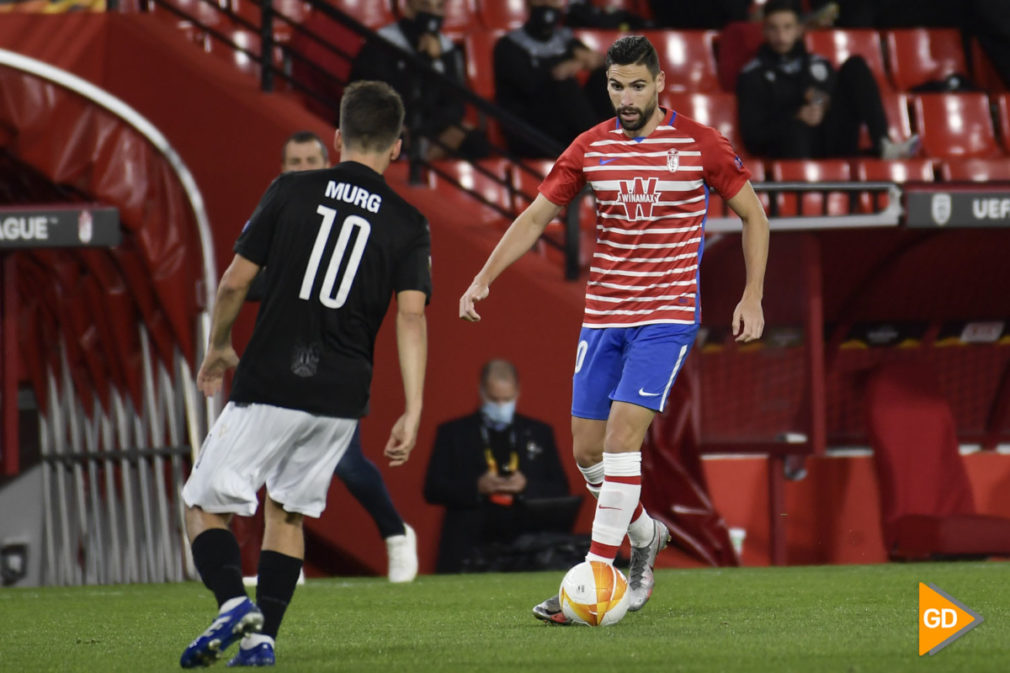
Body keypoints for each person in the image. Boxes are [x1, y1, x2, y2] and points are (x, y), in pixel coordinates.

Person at [459, 35, 769, 624]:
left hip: (667, 317)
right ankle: (646, 534)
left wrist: (752, 296)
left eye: (636, 86)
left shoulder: (701, 145)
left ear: (659, 86)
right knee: (588, 453)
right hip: (603, 317)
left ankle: (597, 577)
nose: (625, 97)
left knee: (624, 440)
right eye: (615, 86)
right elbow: (534, 216)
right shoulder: (590, 147)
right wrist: (482, 279)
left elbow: (754, 216)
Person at [179, 80, 431, 667]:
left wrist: (218, 345)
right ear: (397, 147)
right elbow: (412, 317)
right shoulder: (409, 221)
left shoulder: (291, 190)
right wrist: (413, 408)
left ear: (337, 138)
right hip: (343, 396)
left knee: (202, 505)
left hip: (273, 375)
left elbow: (237, 280)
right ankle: (263, 641)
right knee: (287, 512)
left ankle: (229, 605)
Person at [252, 131, 419, 583]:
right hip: (283, 356)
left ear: (329, 162)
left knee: (344, 462)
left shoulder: (346, 213)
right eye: (293, 160)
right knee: (279, 458)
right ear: (282, 168)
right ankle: (286, 565)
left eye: (310, 158)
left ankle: (397, 533)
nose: (302, 166)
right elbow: (248, 281)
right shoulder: (279, 208)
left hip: (337, 357)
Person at [423, 359, 570, 573]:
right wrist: (477, 487)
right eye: (494, 399)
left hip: (525, 544)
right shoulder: (453, 433)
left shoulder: (538, 432)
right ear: (481, 391)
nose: (501, 406)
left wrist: (526, 486)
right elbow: (432, 489)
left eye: (507, 399)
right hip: (467, 544)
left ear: (518, 392)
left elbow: (560, 488)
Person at [736, 0, 919, 159]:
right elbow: (753, 134)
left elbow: (828, 94)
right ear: (764, 31)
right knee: (796, 129)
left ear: (799, 29)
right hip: (790, 147)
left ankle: (884, 144)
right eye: (773, 28)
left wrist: (819, 105)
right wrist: (795, 116)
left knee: (855, 65)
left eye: (787, 27)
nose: (781, 36)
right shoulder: (752, 74)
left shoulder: (818, 64)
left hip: (831, 139)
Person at [350, 0, 488, 161]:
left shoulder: (446, 48)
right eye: (425, 5)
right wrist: (422, 59)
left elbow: (455, 105)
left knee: (475, 141)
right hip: (392, 126)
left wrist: (426, 129)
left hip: (431, 129)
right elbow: (370, 97)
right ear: (408, 8)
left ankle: (420, 163)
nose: (433, 13)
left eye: (439, 7)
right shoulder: (382, 43)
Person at [493, 0, 612, 157]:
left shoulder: (565, 39)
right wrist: (566, 66)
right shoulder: (507, 45)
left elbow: (595, 59)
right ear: (528, 4)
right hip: (530, 128)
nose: (548, 5)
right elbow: (532, 86)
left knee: (603, 75)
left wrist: (580, 62)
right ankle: (598, 149)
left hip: (567, 124)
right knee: (565, 84)